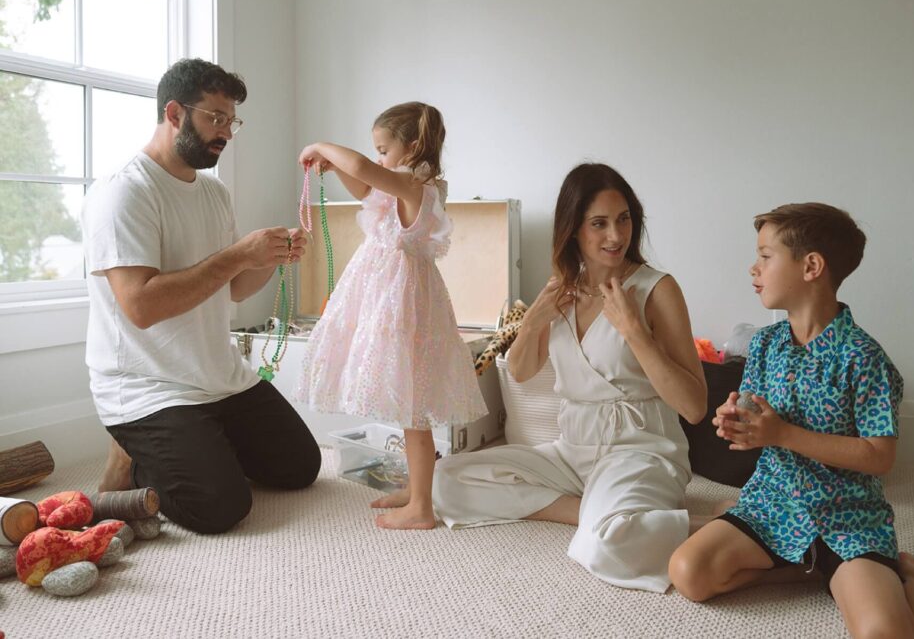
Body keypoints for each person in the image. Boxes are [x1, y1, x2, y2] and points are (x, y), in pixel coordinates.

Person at [668, 203, 914, 638]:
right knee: (687, 572)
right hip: (774, 505)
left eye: (765, 255)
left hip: (849, 519)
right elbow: (755, 424)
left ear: (811, 266)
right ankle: (812, 569)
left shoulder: (865, 358)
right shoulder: (764, 345)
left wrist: (783, 433)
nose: (753, 267)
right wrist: (736, 423)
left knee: (886, 634)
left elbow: (880, 457)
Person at [432, 163, 708, 593]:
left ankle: (659, 520)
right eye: (599, 224)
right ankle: (597, 511)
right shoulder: (562, 289)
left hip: (639, 451)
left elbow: (694, 407)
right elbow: (520, 372)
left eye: (624, 220)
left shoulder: (658, 289)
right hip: (572, 451)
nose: (616, 236)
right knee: (445, 479)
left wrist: (634, 331)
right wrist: (536, 319)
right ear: (573, 230)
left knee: (607, 545)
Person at [83, 58, 321, 534]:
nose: (226, 132)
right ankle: (131, 451)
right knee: (218, 508)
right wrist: (238, 255)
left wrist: (269, 258)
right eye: (215, 117)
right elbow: (142, 307)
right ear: (174, 114)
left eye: (231, 120)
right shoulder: (124, 192)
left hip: (218, 375)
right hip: (148, 387)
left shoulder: (214, 193)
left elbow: (231, 289)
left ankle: (199, 444)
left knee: (301, 468)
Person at [295, 101, 488, 530]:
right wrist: (331, 165)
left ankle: (422, 507)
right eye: (378, 150)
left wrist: (320, 144)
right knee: (405, 403)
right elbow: (364, 186)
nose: (378, 156)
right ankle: (416, 488)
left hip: (401, 301)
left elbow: (365, 170)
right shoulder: (399, 186)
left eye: (384, 148)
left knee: (414, 408)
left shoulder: (417, 187)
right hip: (384, 295)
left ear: (413, 147)